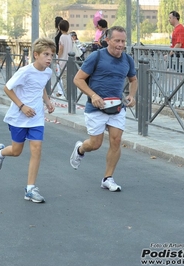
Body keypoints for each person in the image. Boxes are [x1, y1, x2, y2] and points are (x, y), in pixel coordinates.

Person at [70, 26, 137, 192]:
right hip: (96, 108)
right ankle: (80, 149)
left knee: (116, 140)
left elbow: (133, 80)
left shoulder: (127, 60)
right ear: (108, 40)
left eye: (123, 41)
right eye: (117, 41)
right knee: (95, 144)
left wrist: (132, 96)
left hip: (116, 108)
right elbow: (78, 79)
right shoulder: (97, 56)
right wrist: (93, 95)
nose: (121, 45)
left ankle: (108, 178)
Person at [0, 37, 56, 203]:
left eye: (52, 55)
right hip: (19, 117)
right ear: (36, 55)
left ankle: (30, 189)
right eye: (46, 54)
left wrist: (47, 102)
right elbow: (7, 88)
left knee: (37, 149)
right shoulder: (25, 72)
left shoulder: (48, 72)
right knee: (16, 151)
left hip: (36, 118)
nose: (49, 58)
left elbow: (40, 87)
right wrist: (22, 106)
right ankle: (0, 152)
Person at [57, 19, 73, 98]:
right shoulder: (69, 36)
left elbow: (61, 49)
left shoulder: (62, 37)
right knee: (69, 78)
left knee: (64, 78)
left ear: (60, 27)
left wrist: (58, 58)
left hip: (63, 60)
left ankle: (67, 95)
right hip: (70, 59)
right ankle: (71, 94)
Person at [54, 16, 64, 98]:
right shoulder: (60, 33)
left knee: (60, 73)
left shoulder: (61, 34)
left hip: (60, 55)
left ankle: (61, 91)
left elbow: (61, 47)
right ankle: (61, 90)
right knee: (60, 73)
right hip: (60, 55)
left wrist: (58, 58)